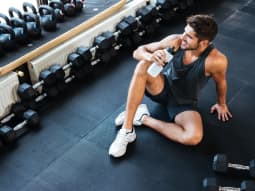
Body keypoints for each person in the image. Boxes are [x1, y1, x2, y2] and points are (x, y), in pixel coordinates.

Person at [109, 14, 232, 158]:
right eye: (184, 31)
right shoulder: (176, 41)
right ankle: (127, 130)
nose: (183, 37)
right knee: (143, 65)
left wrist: (221, 104)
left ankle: (142, 118)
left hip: (185, 103)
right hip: (162, 88)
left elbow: (221, 82)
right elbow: (138, 51)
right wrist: (150, 57)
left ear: (204, 43)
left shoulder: (216, 61)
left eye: (189, 36)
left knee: (193, 137)